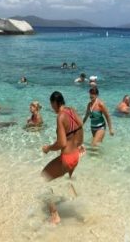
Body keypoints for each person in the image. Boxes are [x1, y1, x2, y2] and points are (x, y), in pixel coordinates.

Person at [41, 91, 84, 224]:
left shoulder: (60, 117)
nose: (52, 107)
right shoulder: (72, 110)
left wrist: (48, 148)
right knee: (68, 181)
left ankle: (55, 216)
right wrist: (79, 147)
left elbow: (62, 143)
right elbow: (81, 127)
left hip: (67, 158)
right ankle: (77, 202)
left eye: (51, 105)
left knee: (43, 178)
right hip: (76, 155)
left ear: (55, 103)